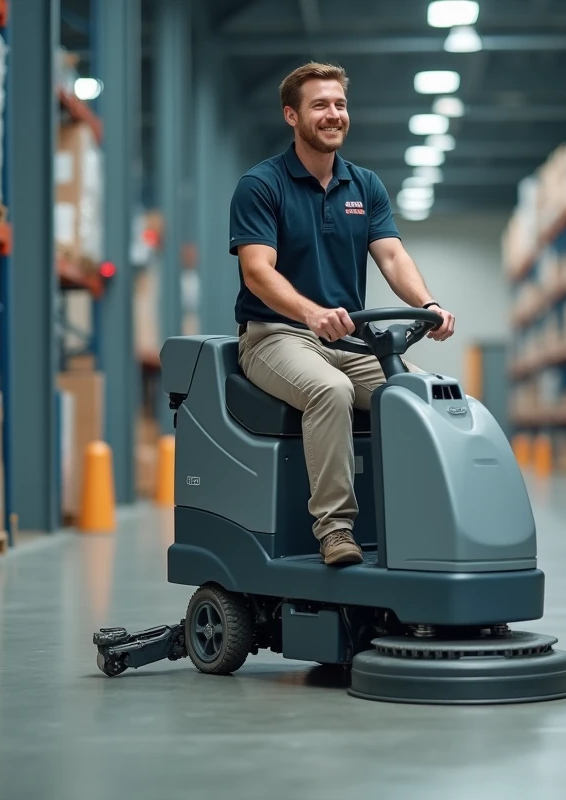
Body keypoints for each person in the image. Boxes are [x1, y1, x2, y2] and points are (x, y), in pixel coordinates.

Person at [228, 62, 456, 566]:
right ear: (292, 115)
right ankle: (335, 530)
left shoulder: (364, 185)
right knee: (329, 391)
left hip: (349, 341)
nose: (333, 114)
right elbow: (257, 272)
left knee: (426, 398)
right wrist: (310, 314)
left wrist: (428, 305)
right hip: (275, 337)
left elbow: (393, 255)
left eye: (339, 104)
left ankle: (425, 521)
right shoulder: (262, 185)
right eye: (319, 105)